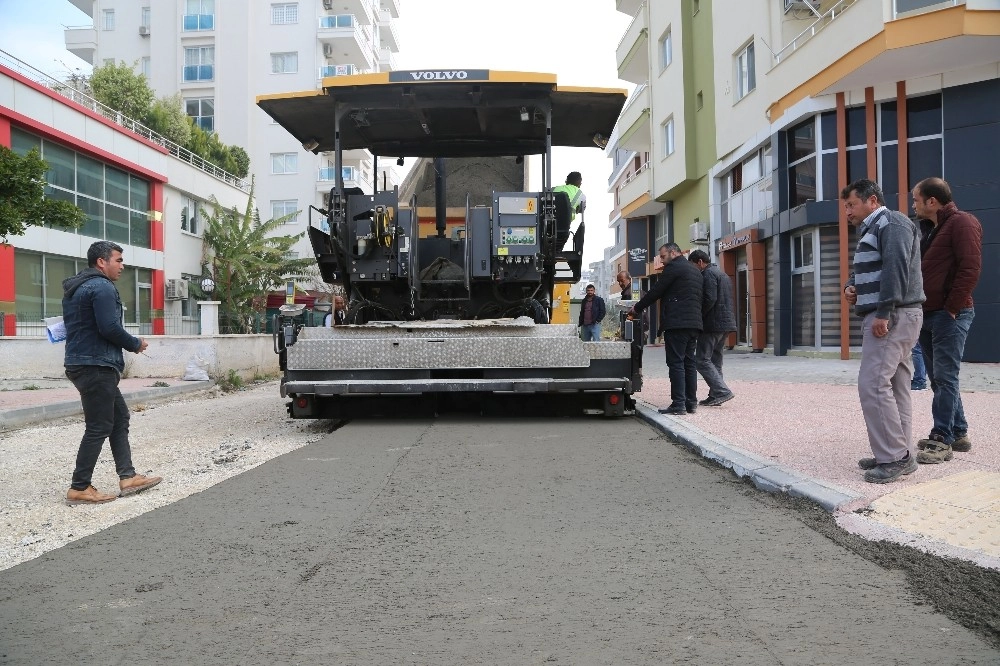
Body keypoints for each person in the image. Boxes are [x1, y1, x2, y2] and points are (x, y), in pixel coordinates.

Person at [62, 241, 162, 505]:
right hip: (96, 364)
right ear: (101, 262)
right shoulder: (102, 287)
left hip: (84, 362)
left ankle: (128, 476)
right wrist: (135, 343)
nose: (122, 265)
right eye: (118, 260)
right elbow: (109, 327)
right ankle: (79, 486)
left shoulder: (77, 288)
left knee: (118, 418)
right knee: (99, 426)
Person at [842, 179, 925, 484]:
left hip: (892, 316)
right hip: (893, 315)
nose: (847, 212)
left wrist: (883, 312)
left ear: (872, 201)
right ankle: (896, 452)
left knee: (873, 384)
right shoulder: (871, 228)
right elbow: (869, 268)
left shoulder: (892, 223)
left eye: (851, 205)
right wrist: (851, 286)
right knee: (896, 384)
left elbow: (896, 268)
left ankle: (894, 458)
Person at [910, 177, 983, 464]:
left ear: (932, 201)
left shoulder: (962, 222)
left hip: (950, 314)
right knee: (939, 379)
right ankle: (959, 432)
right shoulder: (930, 229)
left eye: (916, 199)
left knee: (945, 377)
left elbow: (971, 267)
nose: (912, 204)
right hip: (929, 314)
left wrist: (952, 308)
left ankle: (941, 437)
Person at [629, 243, 703, 415]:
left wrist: (637, 308)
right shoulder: (695, 271)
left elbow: (656, 291)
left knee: (676, 363)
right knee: (689, 363)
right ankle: (691, 403)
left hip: (677, 323)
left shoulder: (673, 268)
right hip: (694, 324)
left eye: (662, 256)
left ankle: (678, 404)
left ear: (673, 252)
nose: (661, 261)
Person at [688, 250, 737, 406]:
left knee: (701, 360)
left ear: (701, 262)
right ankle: (716, 394)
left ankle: (722, 391)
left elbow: (710, 299)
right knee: (715, 360)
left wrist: (698, 316)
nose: (693, 269)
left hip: (712, 324)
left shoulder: (708, 274)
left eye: (693, 265)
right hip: (725, 324)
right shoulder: (722, 274)